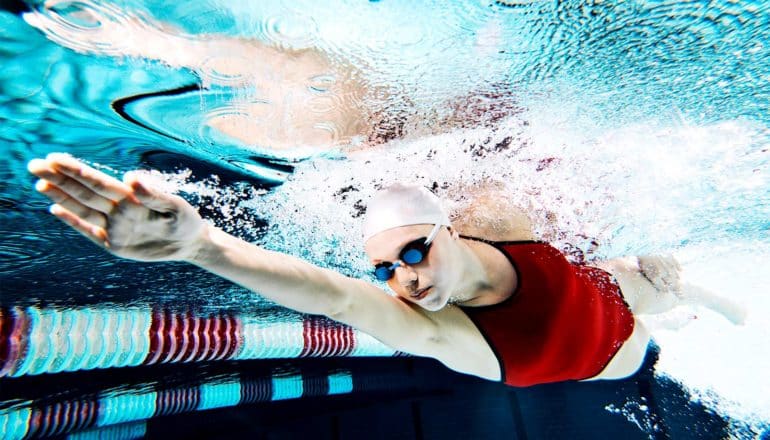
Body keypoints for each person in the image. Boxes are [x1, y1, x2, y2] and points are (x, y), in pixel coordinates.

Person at [27, 153, 744, 386]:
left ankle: (691, 298)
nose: (404, 279)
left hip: (613, 295)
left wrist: (649, 258)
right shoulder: (453, 337)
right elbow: (332, 295)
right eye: (387, 271)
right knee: (654, 327)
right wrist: (201, 246)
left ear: (451, 229)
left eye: (412, 254)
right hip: (611, 362)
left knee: (655, 280)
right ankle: (678, 314)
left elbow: (586, 238)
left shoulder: (511, 220)